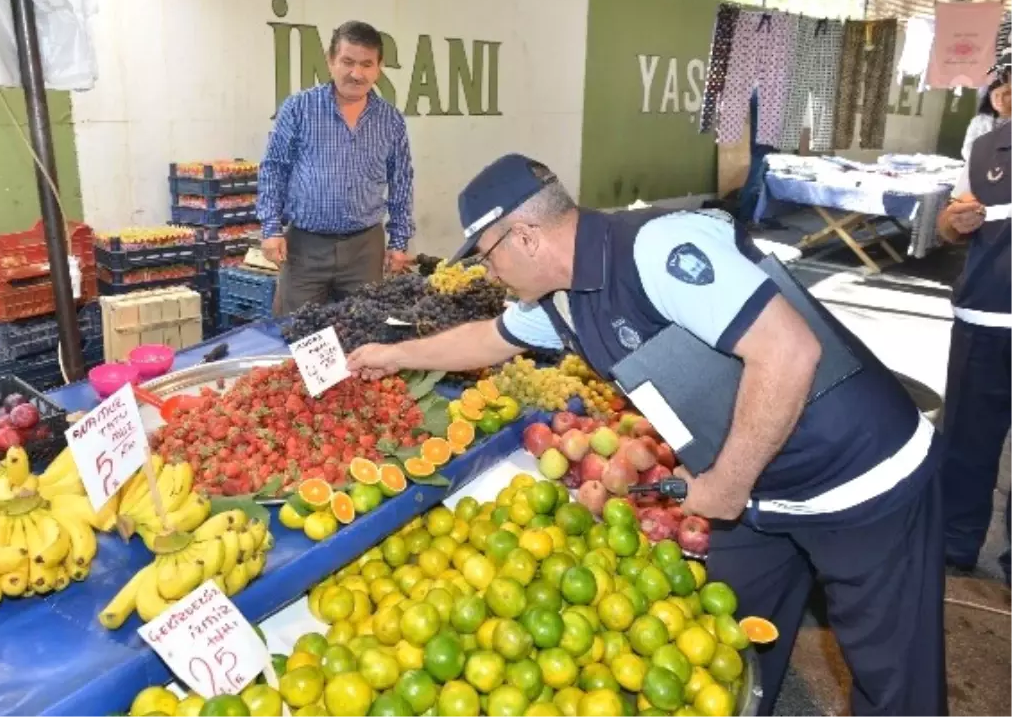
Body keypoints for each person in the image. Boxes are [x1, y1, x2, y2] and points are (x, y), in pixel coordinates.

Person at [349, 154, 946, 717]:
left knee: (895, 684)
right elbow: (486, 340)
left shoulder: (657, 248)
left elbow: (789, 351)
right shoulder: (560, 301)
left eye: (487, 255)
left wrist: (727, 482)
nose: (489, 271)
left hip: (859, 480)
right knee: (719, 652)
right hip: (758, 493)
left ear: (525, 237)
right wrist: (395, 354)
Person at [257, 20, 415, 316]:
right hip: (304, 249)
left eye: (367, 64)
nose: (357, 73)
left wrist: (399, 241)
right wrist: (270, 229)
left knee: (364, 332)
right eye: (347, 62)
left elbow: (401, 181)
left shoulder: (391, 120)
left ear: (379, 68)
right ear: (330, 62)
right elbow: (273, 169)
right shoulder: (299, 108)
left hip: (365, 250)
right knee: (298, 334)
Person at [936, 55, 1012, 587]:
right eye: (1004, 82)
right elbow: (950, 223)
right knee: (967, 444)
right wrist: (951, 222)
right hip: (983, 316)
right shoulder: (987, 147)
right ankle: (955, 543)